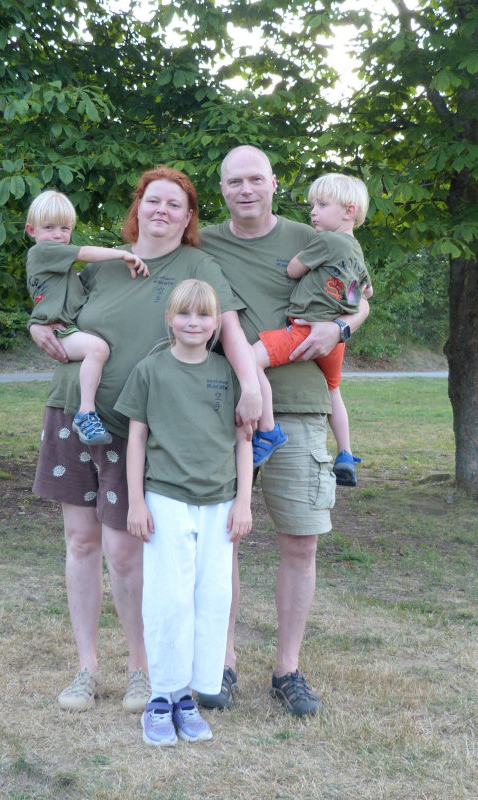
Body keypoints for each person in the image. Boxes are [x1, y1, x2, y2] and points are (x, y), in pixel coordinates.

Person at [29, 166, 260, 715]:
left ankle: (141, 669)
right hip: (72, 413)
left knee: (126, 552)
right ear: (139, 207)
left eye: (175, 204)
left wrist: (251, 386)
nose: (162, 210)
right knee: (80, 543)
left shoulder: (199, 266)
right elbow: (53, 309)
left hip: (134, 427)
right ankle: (86, 668)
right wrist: (37, 327)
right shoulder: (101, 264)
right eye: (153, 200)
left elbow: (228, 330)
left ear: (189, 216)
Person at [197, 145, 370, 716]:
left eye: (255, 179)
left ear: (273, 183)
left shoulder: (314, 235)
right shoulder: (203, 243)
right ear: (222, 189)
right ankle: (221, 664)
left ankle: (287, 670)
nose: (245, 189)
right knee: (222, 541)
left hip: (300, 407)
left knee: (300, 541)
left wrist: (342, 327)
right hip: (219, 408)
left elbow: (360, 297)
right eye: (234, 181)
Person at [115, 279, 253, 747]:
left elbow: (244, 440)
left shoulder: (228, 372)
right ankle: (161, 698)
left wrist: (244, 501)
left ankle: (189, 696)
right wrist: (136, 500)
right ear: (169, 319)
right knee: (169, 597)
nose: (194, 323)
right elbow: (136, 437)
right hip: (165, 497)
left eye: (204, 315)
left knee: (212, 597)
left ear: (216, 324)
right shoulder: (150, 370)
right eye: (184, 314)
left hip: (220, 501)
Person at [251, 173, 373, 486]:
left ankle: (268, 430)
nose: (313, 212)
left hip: (304, 330)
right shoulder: (356, 252)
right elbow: (364, 293)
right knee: (333, 390)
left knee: (250, 360)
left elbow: (293, 269)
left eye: (322, 205)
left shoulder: (328, 241)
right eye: (313, 206)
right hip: (335, 340)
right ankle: (345, 452)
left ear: (348, 211)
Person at [25, 189, 149, 445]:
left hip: (65, 327)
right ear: (31, 230)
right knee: (97, 348)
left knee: (96, 349)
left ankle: (86, 411)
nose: (57, 235)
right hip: (59, 328)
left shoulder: (59, 268)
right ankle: (85, 413)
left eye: (64, 228)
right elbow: (84, 253)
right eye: (48, 227)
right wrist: (123, 254)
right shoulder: (42, 252)